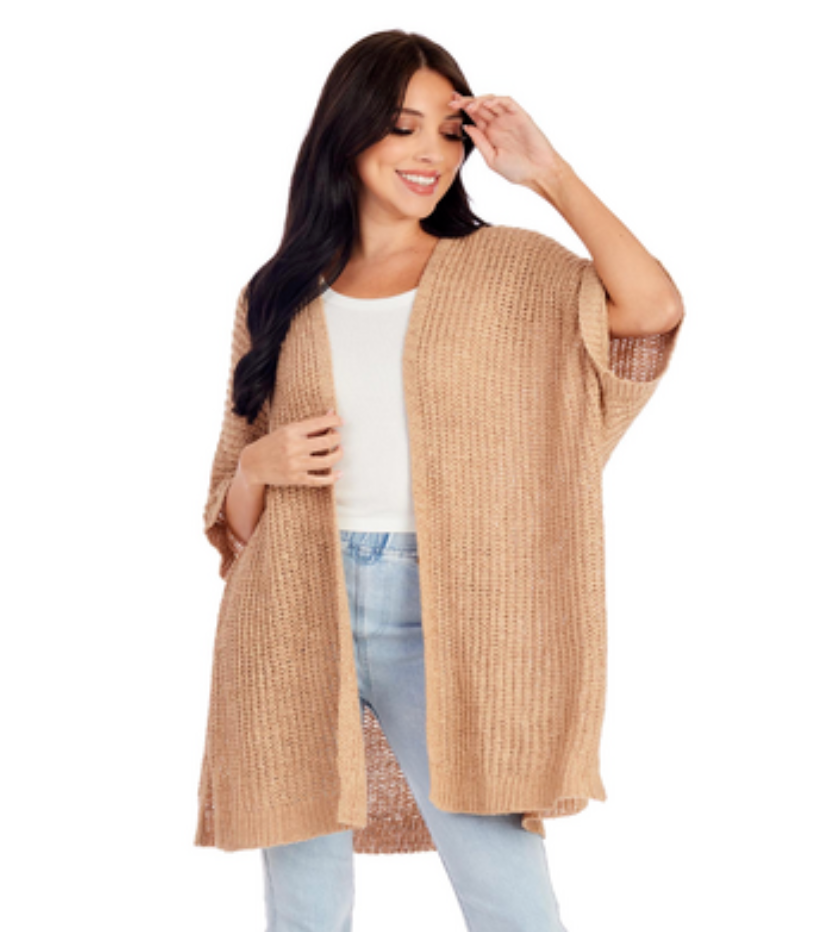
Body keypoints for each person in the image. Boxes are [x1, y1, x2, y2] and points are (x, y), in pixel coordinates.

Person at [194, 29, 685, 932]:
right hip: (292, 609)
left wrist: (547, 174)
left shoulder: (509, 269)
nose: (431, 152)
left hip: (447, 610)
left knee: (509, 896)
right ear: (346, 134)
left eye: (449, 132)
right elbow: (235, 523)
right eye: (402, 127)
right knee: (302, 906)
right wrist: (259, 466)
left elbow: (651, 309)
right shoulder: (278, 292)